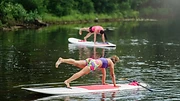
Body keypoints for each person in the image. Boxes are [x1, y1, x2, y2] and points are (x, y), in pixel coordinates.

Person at [55, 55, 119, 88]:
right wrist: (114, 85)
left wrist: (103, 82)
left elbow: (104, 73)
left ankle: (62, 60)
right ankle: (67, 81)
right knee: (81, 73)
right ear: (115, 62)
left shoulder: (105, 60)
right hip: (94, 63)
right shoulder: (111, 63)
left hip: (91, 60)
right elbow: (112, 74)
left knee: (75, 62)